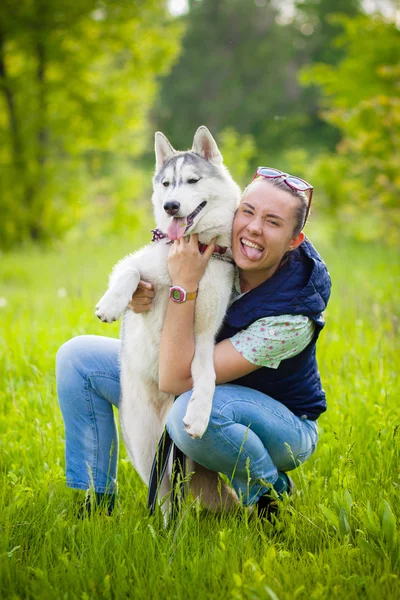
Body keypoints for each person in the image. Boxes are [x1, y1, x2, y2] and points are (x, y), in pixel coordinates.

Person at [56, 167, 331, 518]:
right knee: (79, 358)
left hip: (277, 423)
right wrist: (143, 297)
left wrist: (183, 288)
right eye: (247, 212)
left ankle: (270, 493)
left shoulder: (292, 314)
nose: (253, 228)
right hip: (201, 385)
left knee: (192, 411)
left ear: (295, 240)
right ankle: (95, 503)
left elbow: (176, 379)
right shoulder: (211, 247)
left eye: (273, 222)